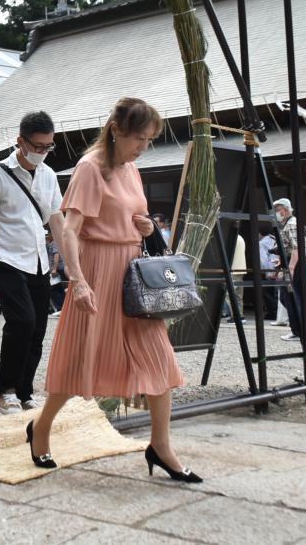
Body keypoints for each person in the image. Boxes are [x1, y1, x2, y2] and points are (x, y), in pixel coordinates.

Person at [33, 97, 200, 482]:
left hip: (131, 273)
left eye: (149, 139)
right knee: (80, 360)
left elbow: (132, 214)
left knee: (160, 359)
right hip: (96, 271)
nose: (144, 146)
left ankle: (161, 446)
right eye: (139, 138)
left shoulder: (130, 169)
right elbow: (69, 231)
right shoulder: (91, 168)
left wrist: (144, 227)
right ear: (117, 131)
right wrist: (77, 282)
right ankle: (41, 428)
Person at [0, 111, 64, 414]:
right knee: (21, 321)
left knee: (38, 328)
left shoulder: (50, 175)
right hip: (7, 258)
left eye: (48, 147)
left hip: (38, 259)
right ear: (20, 141)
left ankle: (25, 390)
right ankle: (6, 389)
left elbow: (57, 220)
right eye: (37, 146)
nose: (42, 152)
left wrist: (71, 263)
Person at [272, 198, 306, 342]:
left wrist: (291, 267)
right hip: (293, 263)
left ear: (285, 210)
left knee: (290, 296)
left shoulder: (291, 223)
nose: (277, 214)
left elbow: (297, 247)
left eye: (278, 210)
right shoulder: (289, 223)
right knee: (289, 296)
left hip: (295, 265)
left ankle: (300, 328)